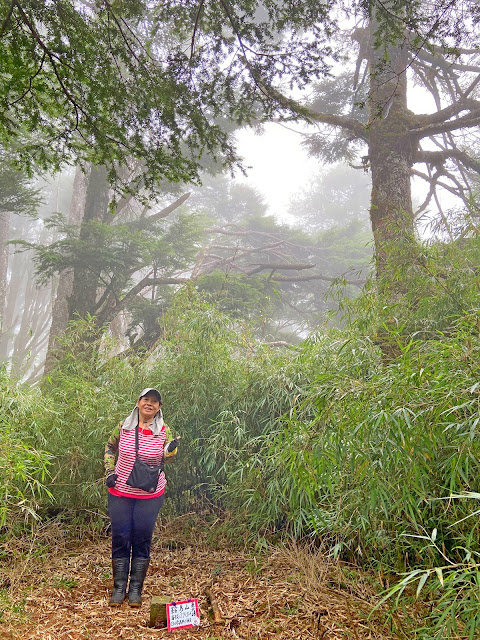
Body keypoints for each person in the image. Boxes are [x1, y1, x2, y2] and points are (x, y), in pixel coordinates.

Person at [104, 387, 179, 607]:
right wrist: (109, 471)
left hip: (150, 494)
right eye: (146, 399)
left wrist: (172, 451)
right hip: (120, 492)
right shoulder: (123, 427)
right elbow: (109, 447)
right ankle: (119, 589)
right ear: (138, 402)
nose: (150, 404)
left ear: (159, 407)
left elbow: (168, 460)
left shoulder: (165, 430)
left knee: (142, 538)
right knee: (121, 537)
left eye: (155, 401)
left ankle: (135, 590)